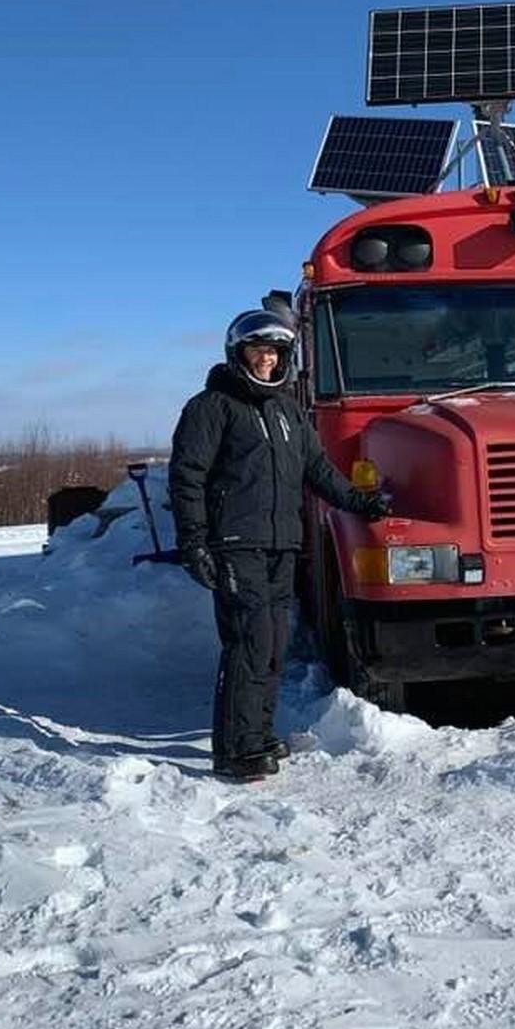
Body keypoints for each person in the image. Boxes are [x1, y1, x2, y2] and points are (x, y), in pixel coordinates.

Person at [168, 308, 391, 781]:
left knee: (272, 646)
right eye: (257, 351)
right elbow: (187, 478)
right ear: (238, 354)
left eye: (274, 352)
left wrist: (360, 502)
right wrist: (195, 543)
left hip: (282, 543)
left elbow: (319, 472)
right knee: (248, 643)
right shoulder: (211, 407)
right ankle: (236, 750)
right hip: (233, 544)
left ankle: (259, 734)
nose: (266, 360)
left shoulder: (288, 410)